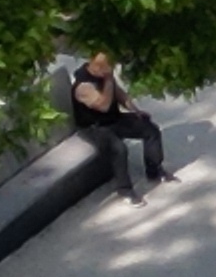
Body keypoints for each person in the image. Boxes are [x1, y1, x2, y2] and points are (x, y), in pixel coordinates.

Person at [67, 51, 168, 184]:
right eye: (105, 66)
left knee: (150, 130)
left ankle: (154, 170)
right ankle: (124, 188)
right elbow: (103, 106)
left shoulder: (104, 77)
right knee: (119, 149)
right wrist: (109, 79)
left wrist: (136, 111)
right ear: (95, 66)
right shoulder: (83, 86)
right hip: (93, 127)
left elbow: (120, 95)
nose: (109, 69)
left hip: (113, 120)